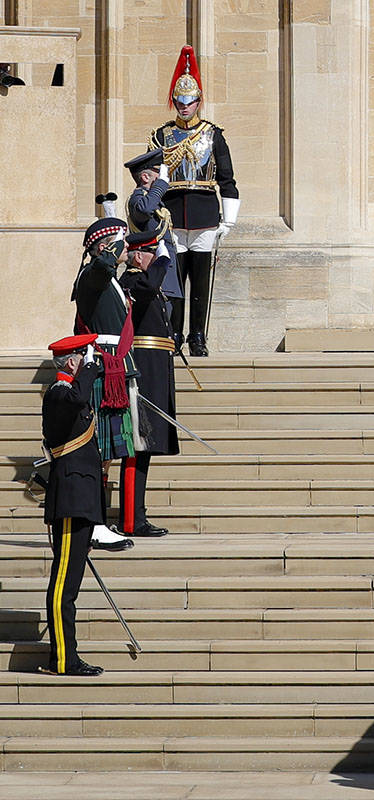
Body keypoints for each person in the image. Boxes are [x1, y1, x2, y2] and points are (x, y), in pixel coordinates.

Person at [149, 45, 239, 357]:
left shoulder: (213, 134)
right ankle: (174, 334)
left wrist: (228, 219)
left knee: (200, 281)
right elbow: (152, 176)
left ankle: (198, 335)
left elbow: (226, 178)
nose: (184, 106)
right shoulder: (162, 135)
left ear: (198, 101)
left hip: (203, 214)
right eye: (179, 101)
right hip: (173, 215)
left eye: (189, 101)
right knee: (174, 282)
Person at [41, 333, 106, 676]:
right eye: (83, 356)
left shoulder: (70, 392)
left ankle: (66, 655)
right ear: (70, 361)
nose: (87, 361)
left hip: (81, 500)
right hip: (69, 500)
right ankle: (63, 659)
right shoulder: (58, 393)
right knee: (63, 585)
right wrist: (91, 368)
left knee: (70, 584)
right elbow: (79, 395)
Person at [72, 218, 139, 552]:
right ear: (105, 247)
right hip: (102, 367)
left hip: (114, 366)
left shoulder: (108, 278)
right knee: (98, 452)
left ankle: (97, 521)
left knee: (108, 453)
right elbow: (101, 265)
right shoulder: (93, 276)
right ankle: (94, 525)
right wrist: (111, 247)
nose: (128, 249)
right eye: (121, 243)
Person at [117, 230, 179, 538]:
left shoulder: (143, 283)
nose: (160, 262)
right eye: (154, 254)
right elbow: (150, 283)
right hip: (143, 373)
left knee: (145, 449)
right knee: (136, 448)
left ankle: (136, 515)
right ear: (140, 255)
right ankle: (131, 520)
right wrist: (163, 259)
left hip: (155, 372)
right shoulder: (133, 282)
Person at [123, 148, 184, 333]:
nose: (163, 181)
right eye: (158, 175)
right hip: (152, 270)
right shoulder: (138, 200)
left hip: (165, 273)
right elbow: (144, 211)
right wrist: (160, 186)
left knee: (165, 323)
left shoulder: (155, 203)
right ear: (145, 178)